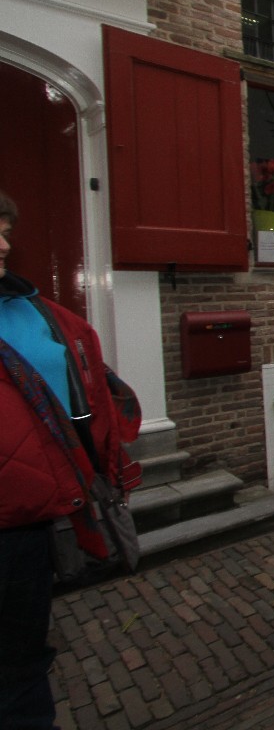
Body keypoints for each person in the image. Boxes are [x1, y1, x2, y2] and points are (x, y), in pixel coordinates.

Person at [0, 190, 142, 728]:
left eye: (5, 232)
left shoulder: (34, 312)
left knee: (19, 666)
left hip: (24, 525)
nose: (4, 245)